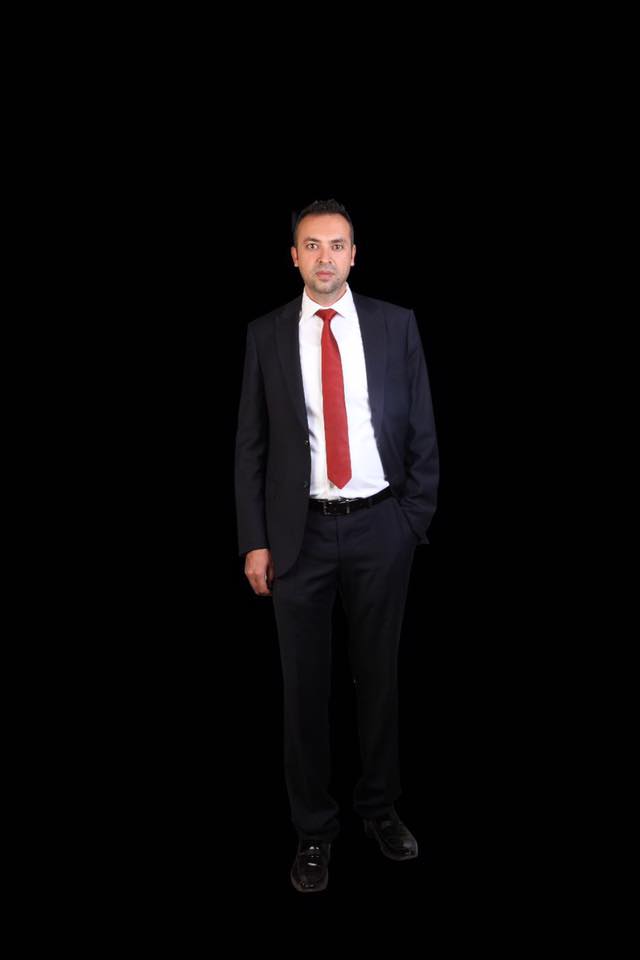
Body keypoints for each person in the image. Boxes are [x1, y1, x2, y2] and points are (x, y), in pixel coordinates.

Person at [234, 199, 439, 893]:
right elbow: (251, 447)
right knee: (304, 689)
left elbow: (422, 427)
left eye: (338, 245)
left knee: (378, 678)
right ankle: (314, 830)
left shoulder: (394, 323)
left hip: (381, 527)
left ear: (355, 254)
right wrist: (255, 541)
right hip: (300, 536)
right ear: (294, 256)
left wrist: (410, 521)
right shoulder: (266, 334)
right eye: (313, 245)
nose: (326, 257)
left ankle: (379, 807)